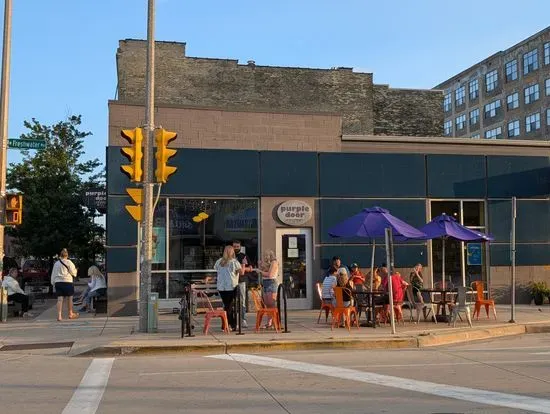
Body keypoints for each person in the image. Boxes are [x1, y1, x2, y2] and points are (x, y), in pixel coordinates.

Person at [215, 245, 245, 331]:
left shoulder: (219, 261)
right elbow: (242, 272)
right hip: (231, 286)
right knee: (229, 306)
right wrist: (243, 264)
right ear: (232, 252)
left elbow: (217, 271)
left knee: (227, 306)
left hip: (221, 287)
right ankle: (231, 324)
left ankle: (225, 324)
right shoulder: (234, 262)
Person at [51, 248, 79, 321]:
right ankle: (70, 314)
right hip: (67, 282)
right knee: (70, 299)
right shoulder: (69, 262)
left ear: (60, 255)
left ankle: (59, 316)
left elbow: (53, 274)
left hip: (58, 282)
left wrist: (53, 282)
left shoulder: (56, 263)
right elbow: (74, 273)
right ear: (67, 255)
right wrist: (75, 271)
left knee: (60, 299)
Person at [232, 240, 253, 328]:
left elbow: (251, 268)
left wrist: (242, 269)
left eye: (237, 246)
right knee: (232, 302)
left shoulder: (243, 256)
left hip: (241, 280)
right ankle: (232, 321)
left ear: (240, 247)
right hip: (232, 281)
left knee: (242, 301)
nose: (236, 248)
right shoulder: (229, 256)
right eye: (234, 246)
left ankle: (243, 319)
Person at [257, 250, 279, 329]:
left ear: (271, 256)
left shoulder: (274, 262)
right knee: (267, 305)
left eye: (267, 256)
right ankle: (269, 322)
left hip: (271, 282)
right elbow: (264, 272)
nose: (265, 257)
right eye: (264, 256)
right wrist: (260, 266)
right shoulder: (268, 264)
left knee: (272, 303)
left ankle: (275, 322)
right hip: (265, 283)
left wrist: (259, 271)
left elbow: (270, 275)